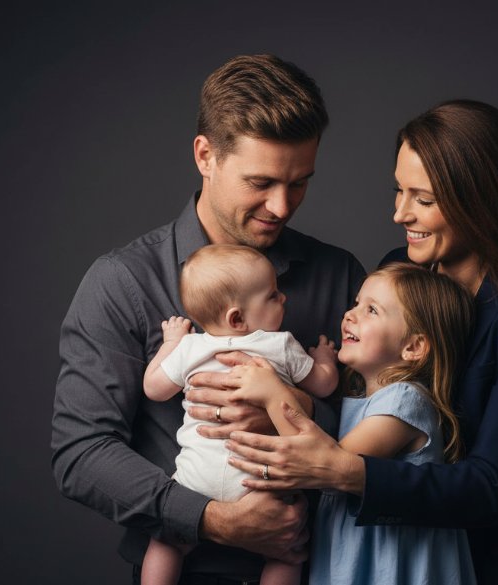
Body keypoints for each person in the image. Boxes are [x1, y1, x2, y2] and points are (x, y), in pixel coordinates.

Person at [223, 100, 498, 584]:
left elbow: (493, 486)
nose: (399, 213)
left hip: (488, 564)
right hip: (373, 558)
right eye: (399, 191)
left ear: (483, 199)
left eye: (424, 199)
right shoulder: (399, 268)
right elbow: (361, 391)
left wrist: (343, 470)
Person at [50, 54, 366, 583]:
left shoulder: (340, 276)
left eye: (300, 183)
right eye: (260, 182)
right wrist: (212, 520)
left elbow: (395, 427)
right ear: (205, 155)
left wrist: (297, 407)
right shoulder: (122, 281)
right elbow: (81, 453)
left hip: (324, 566)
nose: (282, 206)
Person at [227, 263, 478, 584]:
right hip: (351, 553)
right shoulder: (357, 399)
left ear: (413, 347)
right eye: (356, 303)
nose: (351, 314)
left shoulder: (404, 400)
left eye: (371, 310)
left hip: (387, 564)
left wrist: (272, 394)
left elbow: (323, 466)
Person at [140, 244, 338, 585]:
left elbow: (154, 388)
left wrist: (171, 343)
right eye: (273, 295)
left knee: (165, 542)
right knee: (288, 551)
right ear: (237, 317)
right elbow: (324, 386)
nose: (284, 299)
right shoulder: (279, 344)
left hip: (194, 479)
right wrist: (325, 359)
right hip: (257, 478)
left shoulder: (191, 348)